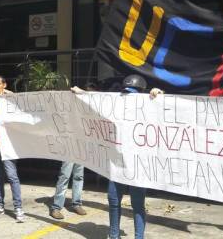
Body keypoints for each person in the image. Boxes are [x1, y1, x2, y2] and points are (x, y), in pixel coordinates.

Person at [107, 74, 163, 239]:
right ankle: (114, 235)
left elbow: (166, 108)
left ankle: (139, 237)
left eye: (132, 92)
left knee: (137, 205)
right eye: (126, 92)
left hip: (139, 165)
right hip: (117, 162)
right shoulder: (117, 104)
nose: (128, 96)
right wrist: (82, 94)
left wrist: (158, 93)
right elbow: (96, 103)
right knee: (113, 200)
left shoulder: (149, 105)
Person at [49, 82, 99, 220]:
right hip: (70, 145)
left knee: (79, 176)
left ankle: (76, 203)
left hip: (82, 145)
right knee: (65, 175)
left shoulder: (91, 108)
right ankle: (56, 207)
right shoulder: (71, 106)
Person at [0, 75, 26, 223]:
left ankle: (18, 208)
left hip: (7, 144)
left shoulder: (10, 100)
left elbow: (22, 106)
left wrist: (10, 93)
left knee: (12, 176)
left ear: (4, 85)